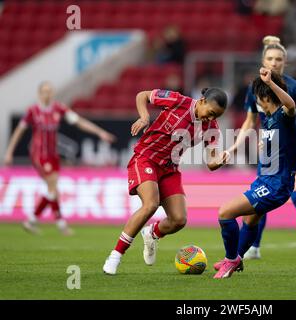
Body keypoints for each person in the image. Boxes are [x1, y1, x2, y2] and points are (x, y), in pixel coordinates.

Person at [102, 87, 229, 275]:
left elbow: (211, 163)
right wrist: (144, 117)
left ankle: (152, 233)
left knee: (179, 220)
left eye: (216, 116)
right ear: (202, 101)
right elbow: (142, 95)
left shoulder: (211, 128)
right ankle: (115, 255)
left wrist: (220, 160)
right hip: (146, 158)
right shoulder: (178, 101)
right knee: (150, 204)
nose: (211, 119)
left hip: (170, 169)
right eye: (210, 113)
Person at [229, 36, 296, 262]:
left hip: (294, 147)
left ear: (285, 63)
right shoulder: (254, 89)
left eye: (279, 59)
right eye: (270, 58)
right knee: (260, 201)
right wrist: (235, 146)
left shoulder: (293, 87)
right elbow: (249, 121)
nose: (274, 63)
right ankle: (254, 246)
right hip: (269, 149)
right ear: (263, 60)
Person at [213, 68, 296, 278]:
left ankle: (231, 260)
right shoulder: (267, 118)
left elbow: (291, 105)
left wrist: (270, 84)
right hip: (264, 180)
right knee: (250, 221)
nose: (257, 102)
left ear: (265, 96)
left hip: (276, 185)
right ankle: (236, 259)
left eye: (259, 98)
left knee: (225, 213)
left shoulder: (284, 115)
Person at [3, 81, 116, 235]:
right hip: (38, 154)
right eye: (44, 91)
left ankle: (33, 220)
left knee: (53, 189)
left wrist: (100, 132)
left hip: (52, 154)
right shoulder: (33, 111)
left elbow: (79, 122)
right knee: (53, 184)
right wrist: (9, 151)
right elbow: (19, 132)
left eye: (50, 91)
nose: (47, 94)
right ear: (39, 93)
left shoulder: (59, 108)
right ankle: (59, 224)